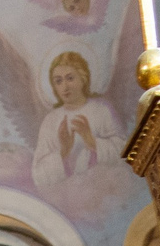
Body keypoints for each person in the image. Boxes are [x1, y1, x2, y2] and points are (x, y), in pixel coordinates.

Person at [30, 51, 120, 189]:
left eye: (70, 78)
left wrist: (92, 142)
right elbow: (38, 175)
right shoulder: (51, 121)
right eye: (58, 81)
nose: (65, 87)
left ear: (83, 78)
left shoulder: (101, 111)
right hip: (68, 194)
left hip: (102, 188)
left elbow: (124, 155)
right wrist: (63, 152)